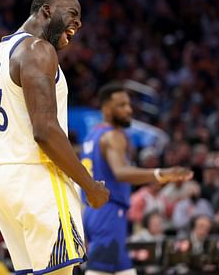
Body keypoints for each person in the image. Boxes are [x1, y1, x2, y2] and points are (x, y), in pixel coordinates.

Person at [0, 0, 110, 275]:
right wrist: (90, 187)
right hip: (37, 179)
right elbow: (44, 130)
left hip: (3, 182)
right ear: (46, 10)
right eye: (72, 14)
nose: (78, 24)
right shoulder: (38, 50)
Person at [80, 83, 193, 275]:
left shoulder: (92, 135)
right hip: (109, 212)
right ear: (106, 108)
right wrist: (160, 174)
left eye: (129, 105)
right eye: (121, 105)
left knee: (125, 270)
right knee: (98, 271)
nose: (129, 110)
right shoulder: (113, 135)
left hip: (94, 212)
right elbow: (121, 172)